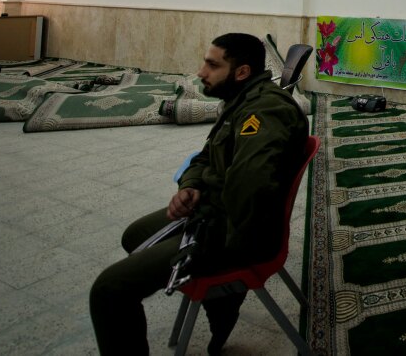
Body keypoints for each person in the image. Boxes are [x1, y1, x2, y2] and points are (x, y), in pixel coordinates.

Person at [90, 33, 309, 355]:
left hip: (236, 234)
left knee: (109, 290)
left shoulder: (262, 112)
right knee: (135, 235)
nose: (201, 72)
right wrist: (191, 186)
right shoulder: (240, 101)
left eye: (211, 65)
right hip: (213, 213)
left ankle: (223, 294)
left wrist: (205, 227)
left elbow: (248, 192)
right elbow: (205, 156)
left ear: (242, 71)